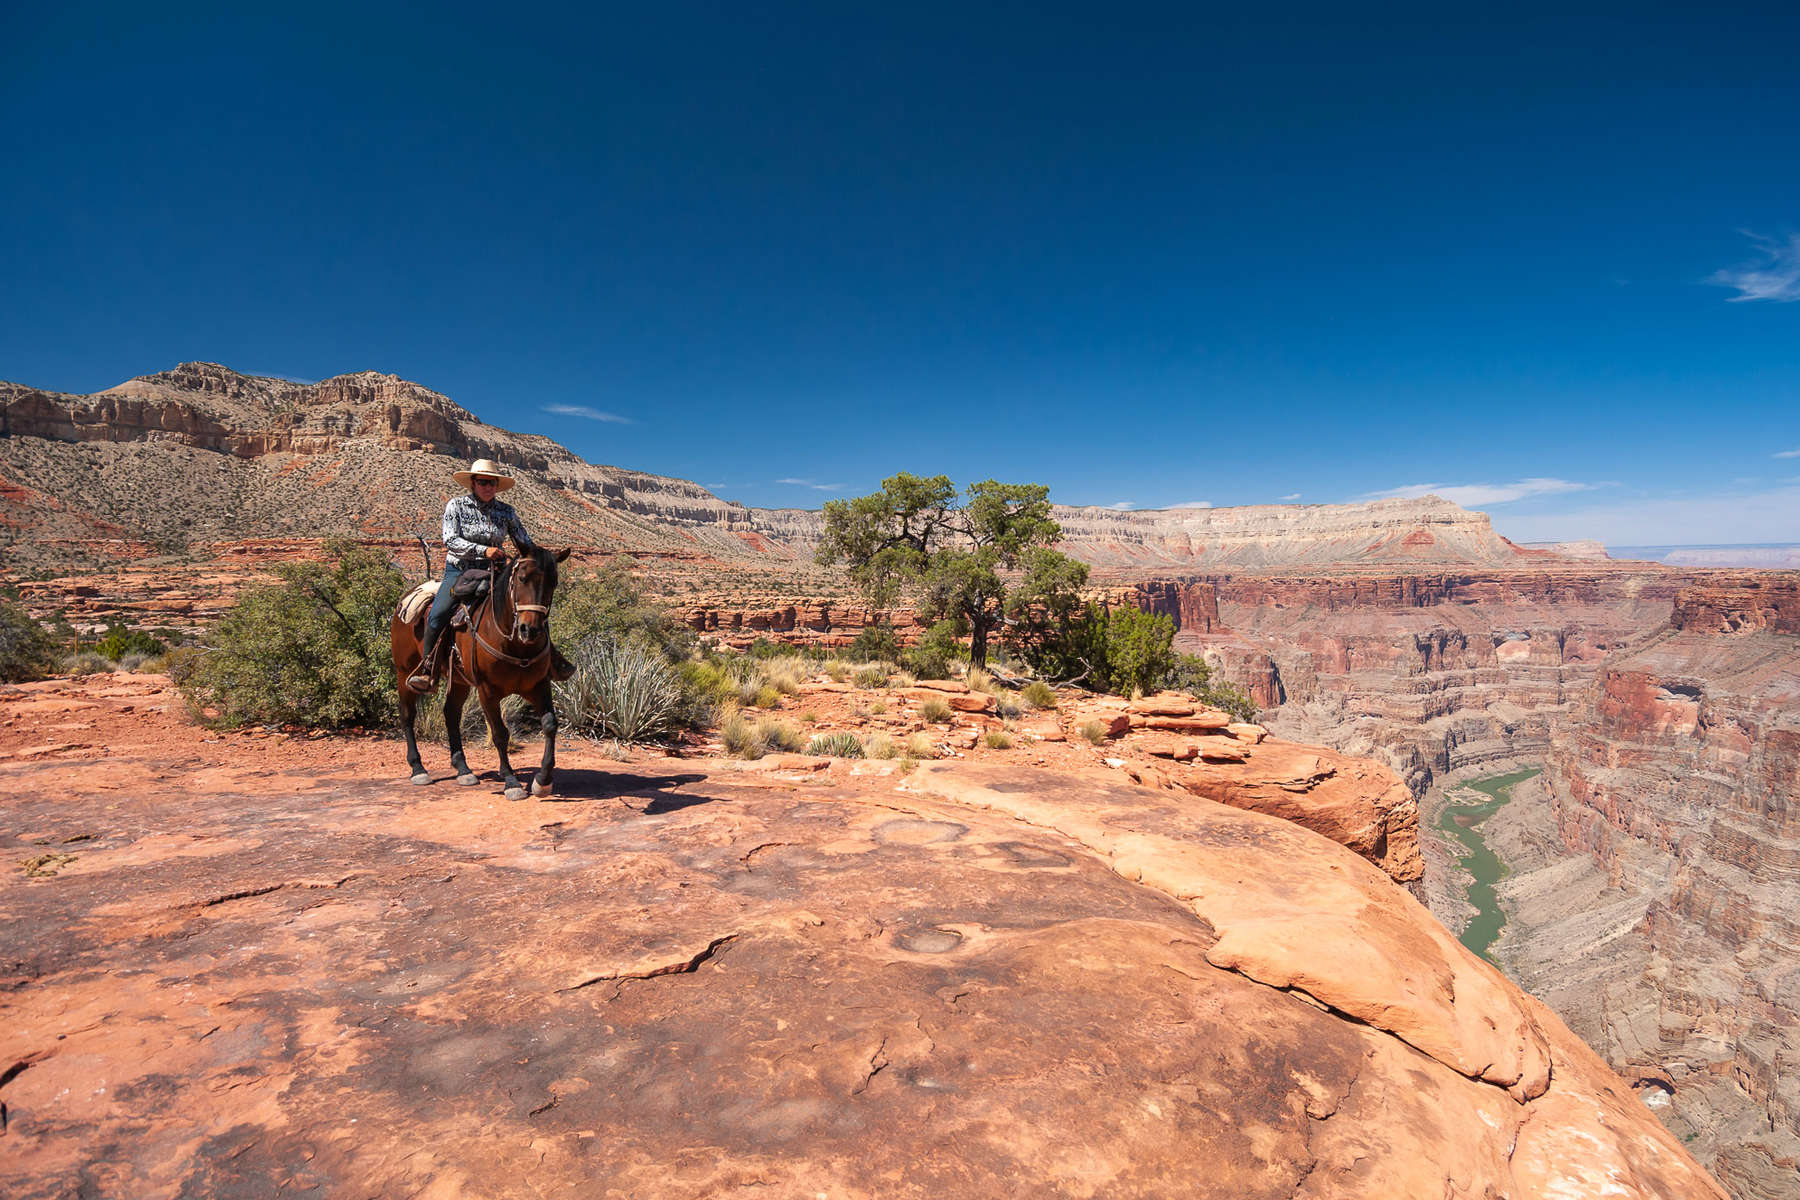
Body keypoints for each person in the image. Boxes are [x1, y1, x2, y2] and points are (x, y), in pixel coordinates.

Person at [407, 458, 540, 691]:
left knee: (531, 606)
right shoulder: (456, 506)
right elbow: (450, 540)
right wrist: (483, 550)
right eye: (483, 482)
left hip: (495, 572)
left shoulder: (507, 511)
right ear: (473, 483)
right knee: (438, 614)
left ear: (497, 486)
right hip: (460, 571)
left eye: (492, 483)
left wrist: (540, 557)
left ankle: (548, 661)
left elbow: (523, 540)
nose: (488, 487)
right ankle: (428, 670)